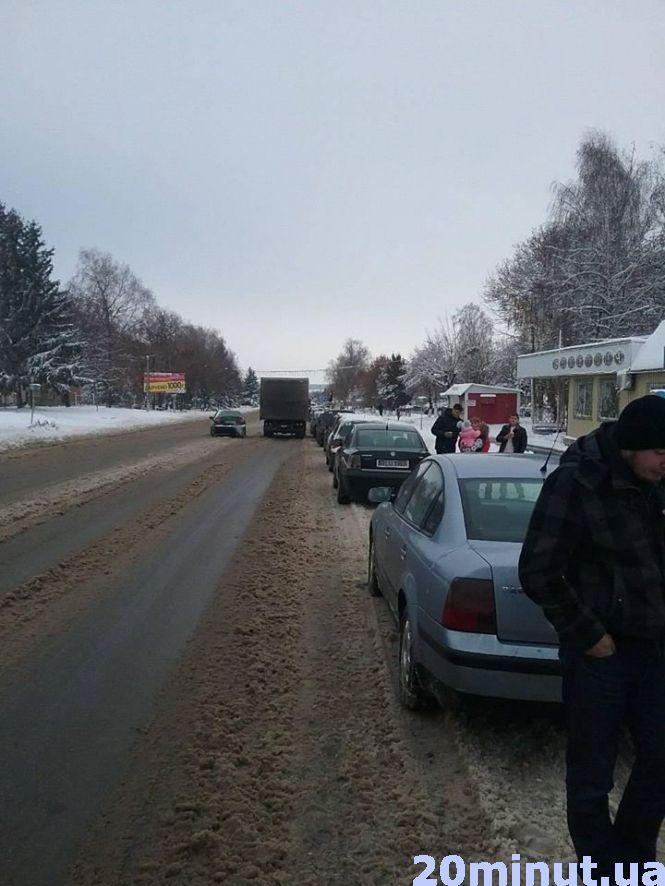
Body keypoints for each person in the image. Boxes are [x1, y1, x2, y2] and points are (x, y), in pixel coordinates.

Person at [518, 395, 665, 879]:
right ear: (631, 446)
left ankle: (631, 859)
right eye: (660, 451)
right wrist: (590, 635)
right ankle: (602, 869)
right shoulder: (577, 483)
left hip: (653, 648)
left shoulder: (655, 484)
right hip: (599, 654)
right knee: (592, 774)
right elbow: (538, 571)